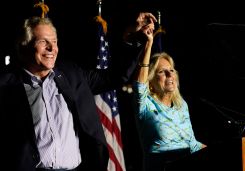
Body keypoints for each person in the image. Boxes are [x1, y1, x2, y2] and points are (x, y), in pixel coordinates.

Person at [0, 12, 157, 171]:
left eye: (54, 42)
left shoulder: (72, 75)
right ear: (25, 45)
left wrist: (134, 37)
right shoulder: (6, 86)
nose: (51, 48)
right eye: (43, 42)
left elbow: (117, 76)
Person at [132, 22, 207, 171]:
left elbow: (192, 143)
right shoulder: (146, 105)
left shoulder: (181, 105)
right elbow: (139, 86)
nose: (169, 74)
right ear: (151, 81)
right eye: (162, 72)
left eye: (171, 70)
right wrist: (149, 43)